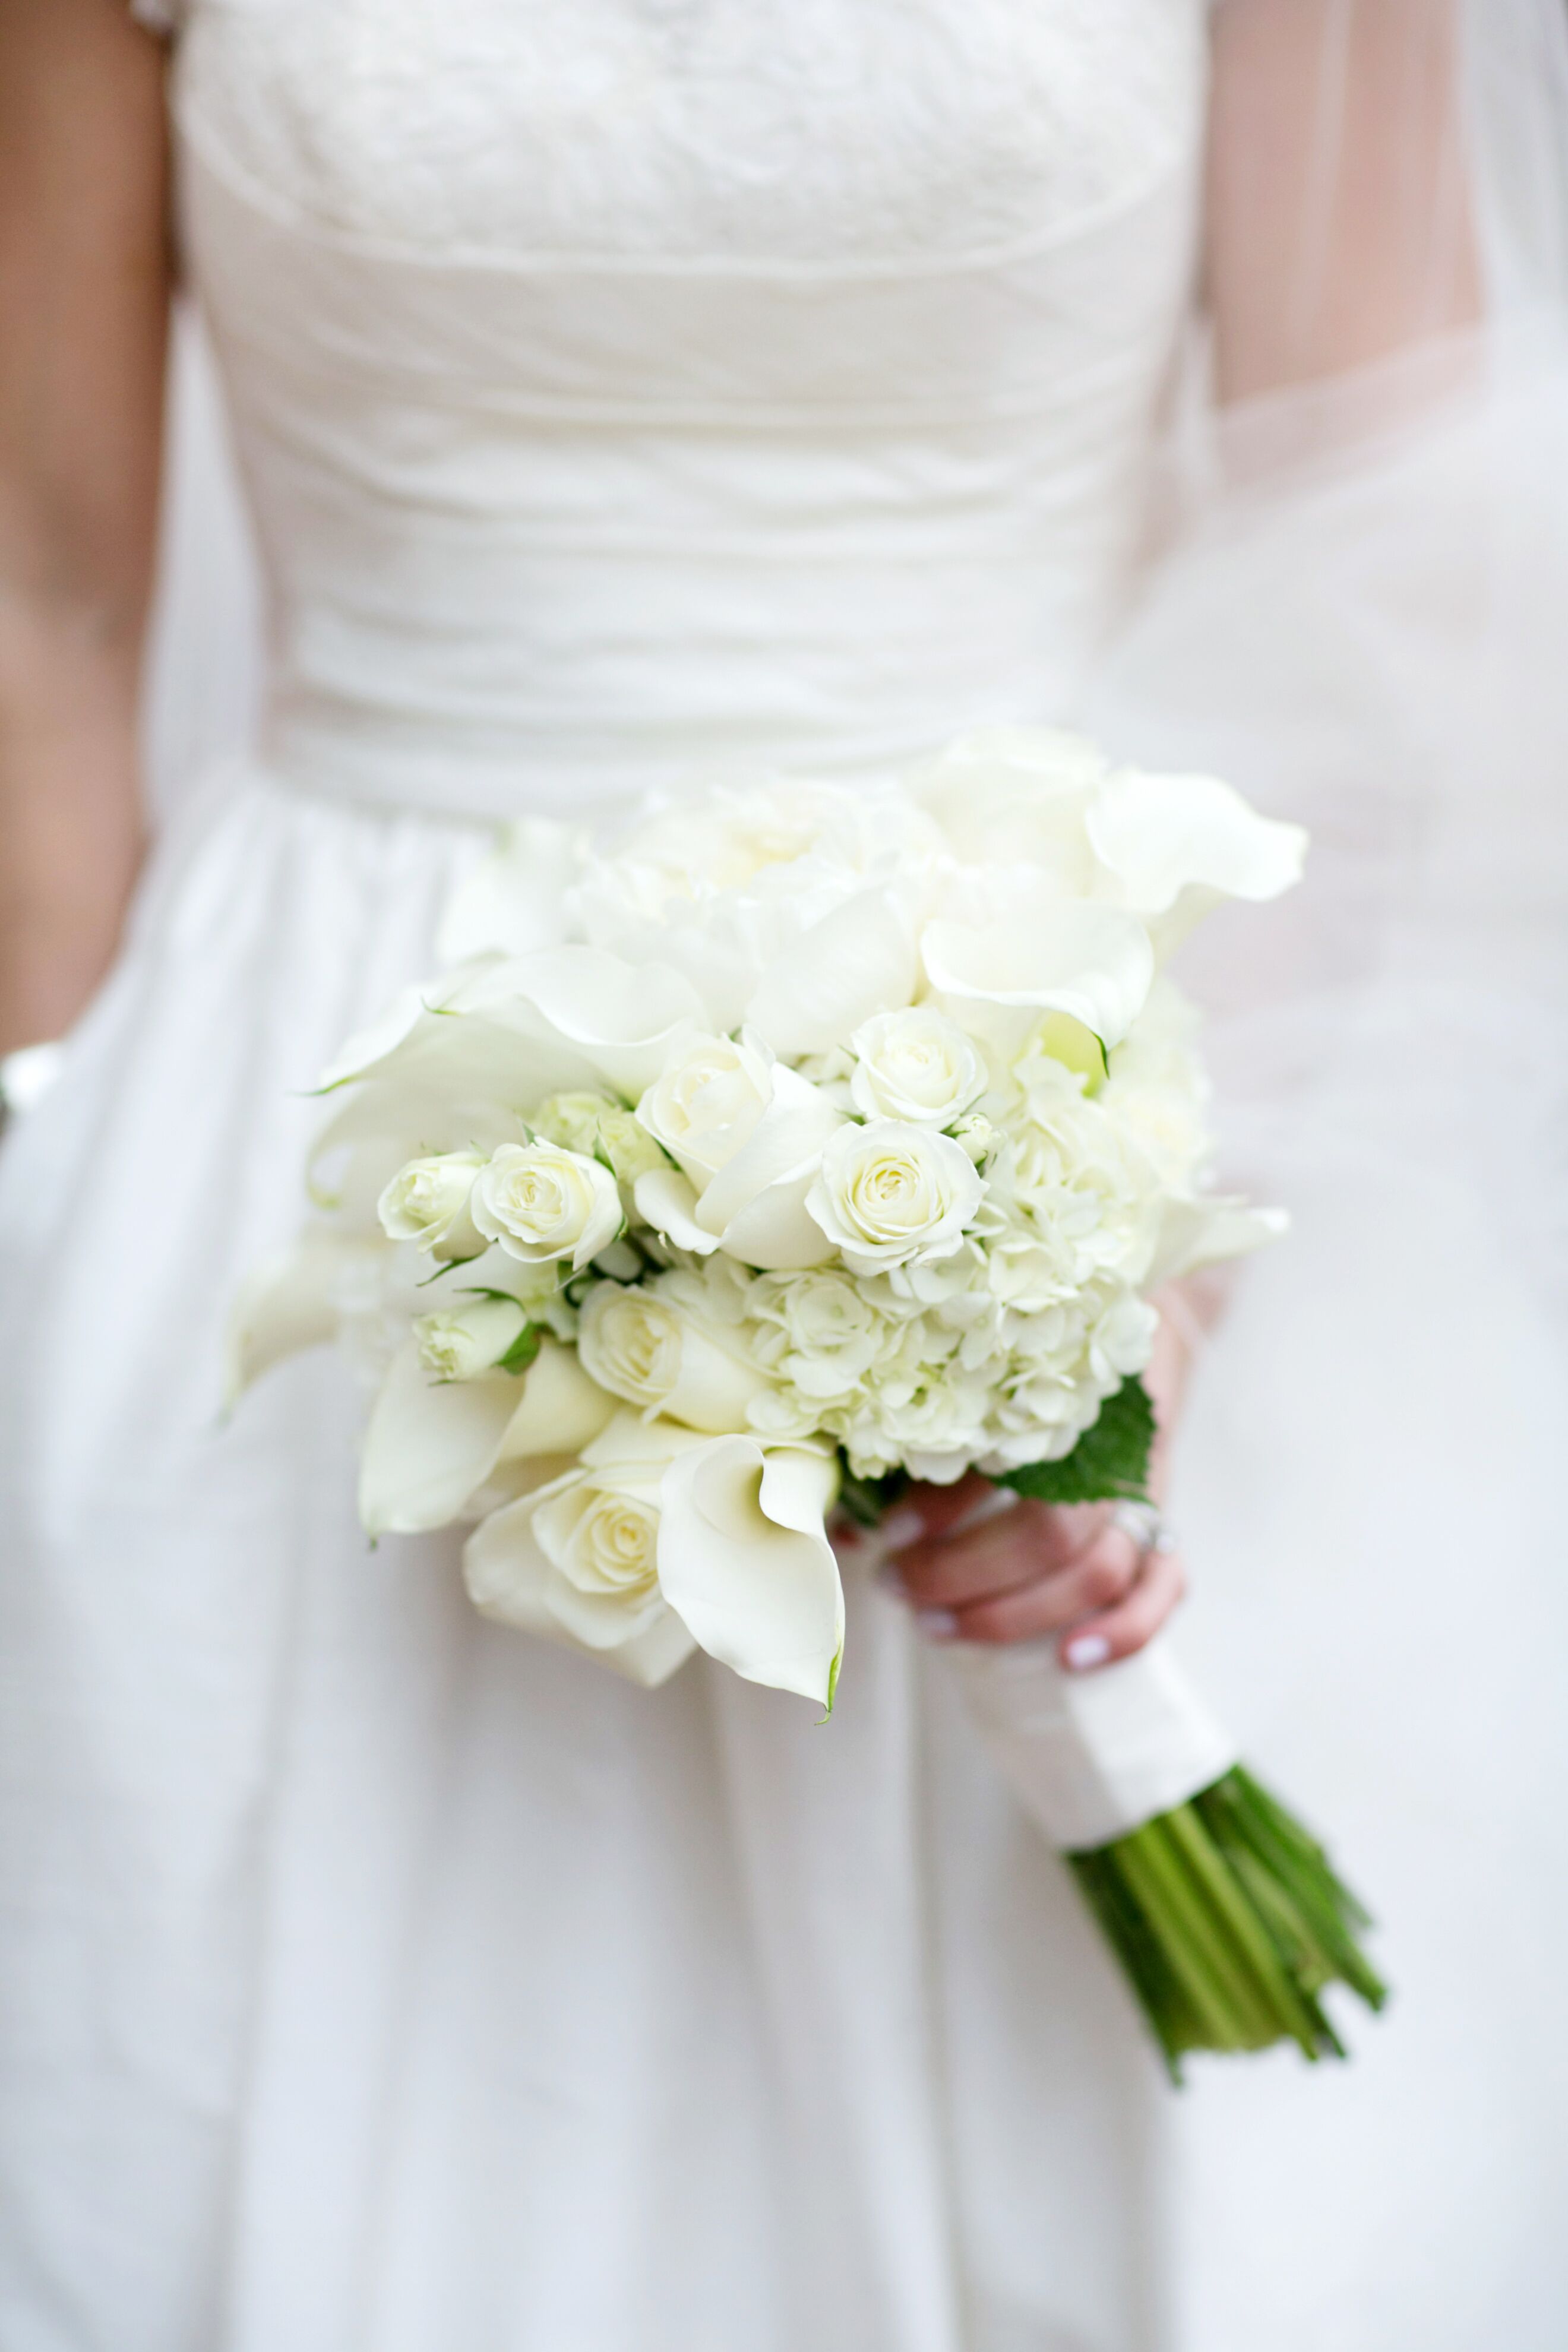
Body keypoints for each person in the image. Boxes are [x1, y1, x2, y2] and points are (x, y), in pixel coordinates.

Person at [1, 3, 1564, 2345]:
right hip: (297, 1109)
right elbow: (50, 593)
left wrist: (1123, 1306)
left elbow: (1364, 553)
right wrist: (42, 1142)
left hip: (1059, 1029)